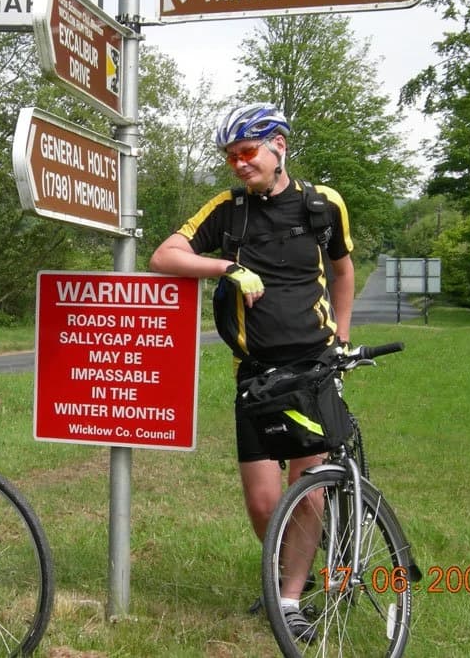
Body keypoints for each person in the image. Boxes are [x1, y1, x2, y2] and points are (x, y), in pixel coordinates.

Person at [149, 102, 354, 642]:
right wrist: (227, 266)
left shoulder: (322, 205)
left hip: (312, 367)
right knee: (264, 503)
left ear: (278, 146)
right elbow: (164, 256)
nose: (239, 164)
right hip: (254, 371)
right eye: (230, 156)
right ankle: (296, 571)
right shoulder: (229, 210)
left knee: (307, 490)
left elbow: (342, 270)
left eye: (247, 152)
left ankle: (287, 599)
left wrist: (344, 338)